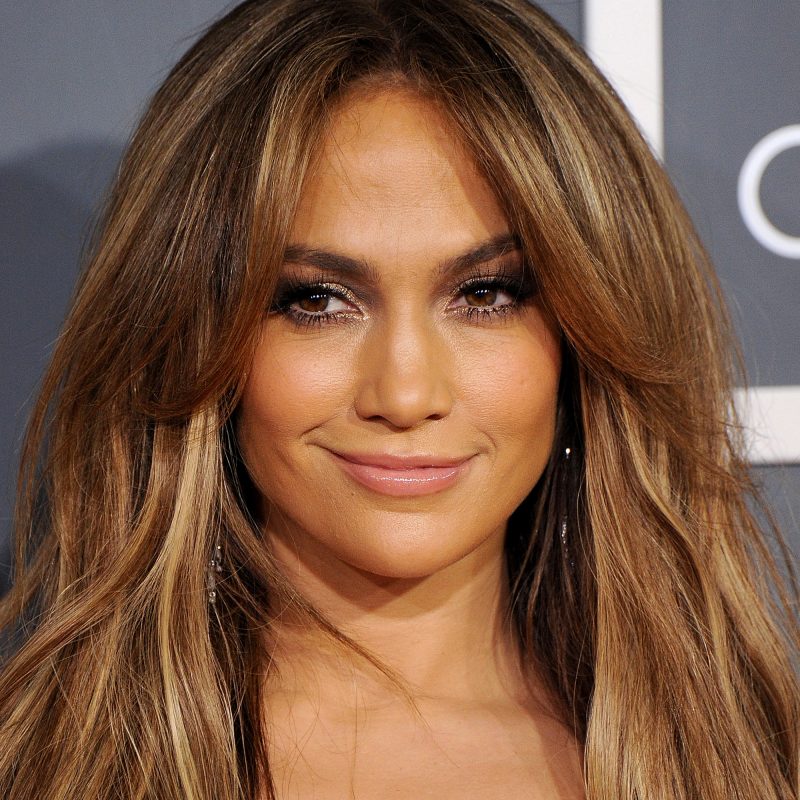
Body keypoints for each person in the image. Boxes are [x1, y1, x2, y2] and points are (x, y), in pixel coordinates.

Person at [0, 1, 797, 798]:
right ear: (196, 335)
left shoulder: (742, 758)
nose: (406, 393)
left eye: (485, 293)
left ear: (585, 335)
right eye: (316, 300)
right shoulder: (51, 769)